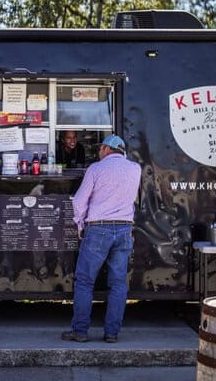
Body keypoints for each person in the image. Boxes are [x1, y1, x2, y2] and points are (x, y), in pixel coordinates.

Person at [62, 135, 141, 343]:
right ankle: (112, 333)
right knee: (117, 284)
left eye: (100, 148)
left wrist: (80, 224)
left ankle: (80, 331)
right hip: (124, 228)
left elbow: (79, 201)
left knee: (85, 281)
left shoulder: (96, 169)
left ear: (107, 149)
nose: (98, 152)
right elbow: (132, 199)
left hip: (98, 228)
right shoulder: (135, 169)